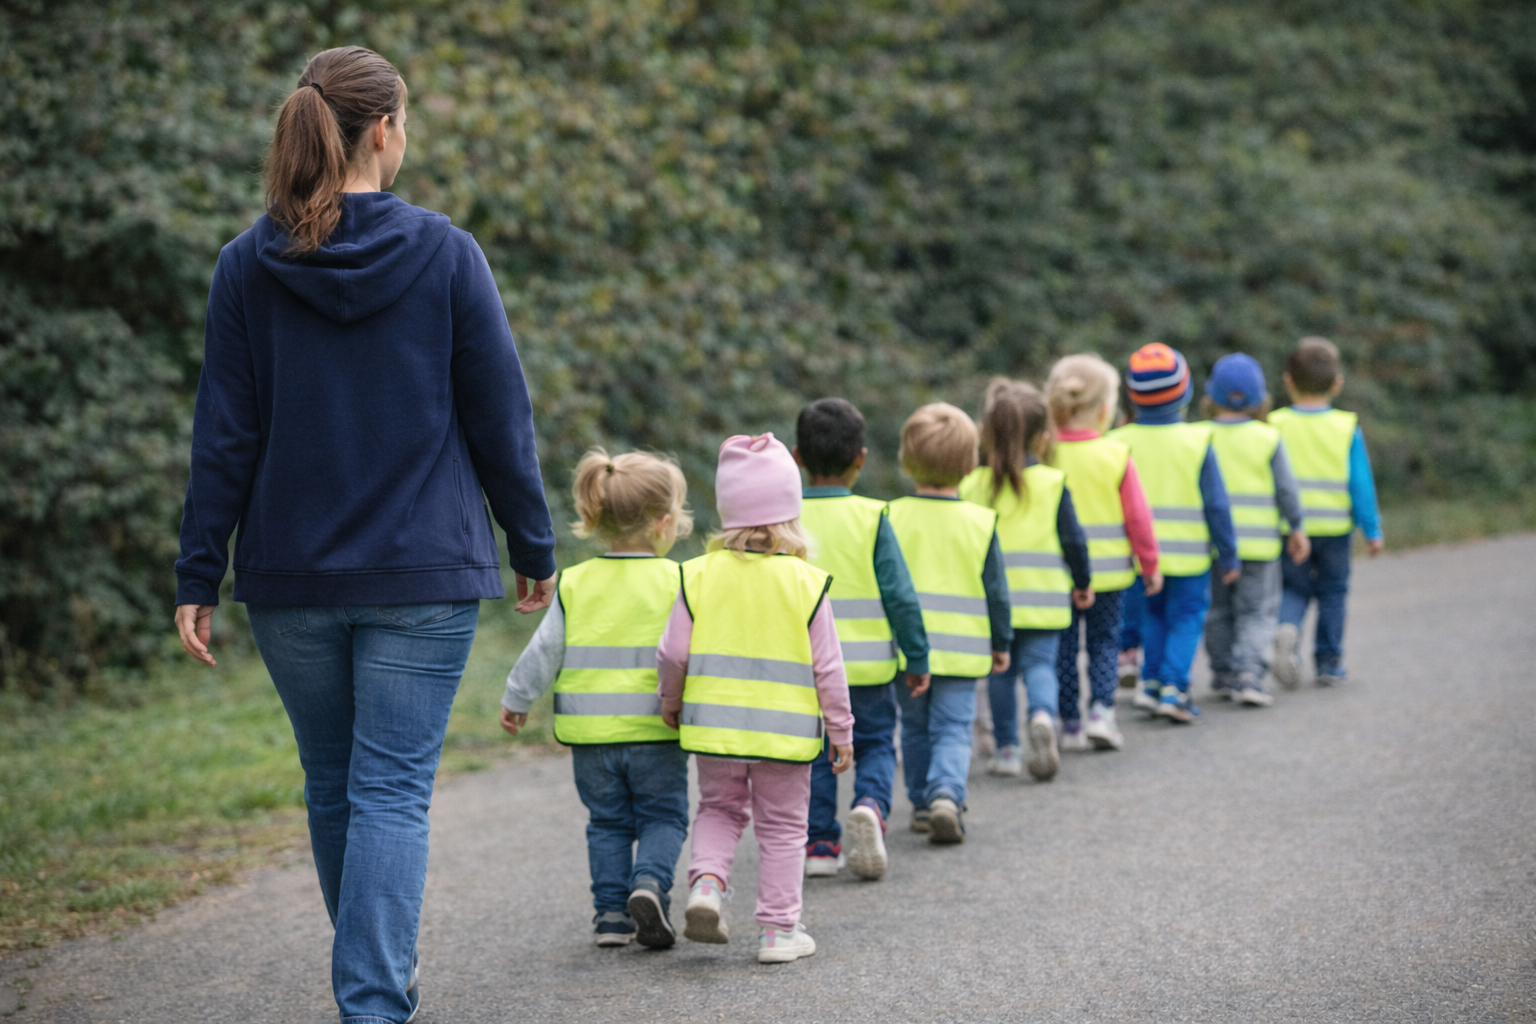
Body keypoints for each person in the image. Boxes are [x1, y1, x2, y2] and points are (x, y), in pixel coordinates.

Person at [172, 47, 556, 1024]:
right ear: (384, 129)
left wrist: (197, 572)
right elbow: (500, 417)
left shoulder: (245, 265)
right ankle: (374, 998)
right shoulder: (445, 253)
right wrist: (533, 545)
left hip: (289, 577)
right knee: (387, 791)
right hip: (422, 575)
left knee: (338, 786)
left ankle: (372, 986)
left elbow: (224, 434)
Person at [657, 434, 854, 964]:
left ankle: (706, 886)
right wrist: (841, 731)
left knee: (718, 809)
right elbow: (829, 668)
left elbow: (673, 652)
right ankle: (777, 933)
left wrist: (670, 701)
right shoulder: (807, 582)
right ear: (792, 513)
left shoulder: (696, 575)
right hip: (785, 736)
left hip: (714, 729)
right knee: (785, 827)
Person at [499, 449, 693, 949]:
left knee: (606, 822)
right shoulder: (679, 581)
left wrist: (517, 698)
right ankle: (648, 883)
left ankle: (610, 915)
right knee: (664, 816)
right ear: (664, 522)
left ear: (595, 515)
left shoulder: (576, 582)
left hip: (590, 738)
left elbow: (544, 649)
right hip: (657, 731)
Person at [793, 399, 930, 881]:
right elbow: (900, 595)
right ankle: (871, 805)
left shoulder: (785, 521)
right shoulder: (873, 517)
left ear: (796, 458)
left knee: (814, 751)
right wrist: (917, 655)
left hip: (805, 668)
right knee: (874, 744)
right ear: (861, 458)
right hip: (870, 669)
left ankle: (820, 844)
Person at [887, 404, 1012, 843]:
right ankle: (946, 792)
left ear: (906, 459)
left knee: (915, 727)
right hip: (963, 650)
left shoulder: (890, 517)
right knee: (954, 728)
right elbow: (996, 590)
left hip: (906, 651)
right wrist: (1002, 641)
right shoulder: (980, 521)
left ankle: (921, 804)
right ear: (969, 462)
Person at [959, 379, 1093, 777]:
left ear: (987, 434)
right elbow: (1074, 539)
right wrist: (1082, 582)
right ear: (1042, 437)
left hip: (992, 603)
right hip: (1045, 597)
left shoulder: (972, 486)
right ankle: (1042, 716)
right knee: (1039, 666)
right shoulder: (1052, 482)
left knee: (1001, 672)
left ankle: (1007, 750)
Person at [1110, 344, 1239, 723]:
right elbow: (1216, 505)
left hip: (1139, 558)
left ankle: (1150, 685)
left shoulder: (1119, 442)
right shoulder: (1197, 441)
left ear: (1131, 396)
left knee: (1153, 615)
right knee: (1186, 617)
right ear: (1186, 393)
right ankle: (1175, 688)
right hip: (1189, 556)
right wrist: (1228, 554)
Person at [1045, 356, 1160, 750]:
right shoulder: (1116, 454)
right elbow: (1138, 518)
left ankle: (1069, 723)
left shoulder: (1044, 455)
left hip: (1057, 575)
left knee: (1063, 648)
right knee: (1104, 642)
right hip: (1110, 576)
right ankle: (1102, 713)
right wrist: (1150, 564)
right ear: (1106, 410)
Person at [1269, 336, 1385, 686]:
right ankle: (1328, 661)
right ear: (1337, 384)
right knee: (1333, 592)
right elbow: (1360, 484)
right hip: (1335, 528)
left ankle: (1287, 629)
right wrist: (1372, 528)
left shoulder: (1273, 424)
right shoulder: (1346, 426)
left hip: (1291, 529)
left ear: (1288, 381)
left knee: (1293, 587)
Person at [1202, 355, 1310, 706]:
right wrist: (1295, 526)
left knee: (1217, 611)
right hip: (1260, 545)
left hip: (1213, 546)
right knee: (1257, 612)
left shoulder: (1200, 436)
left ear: (1212, 396)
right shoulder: (1268, 437)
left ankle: (1222, 673)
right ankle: (1249, 674)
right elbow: (1286, 489)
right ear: (1260, 398)